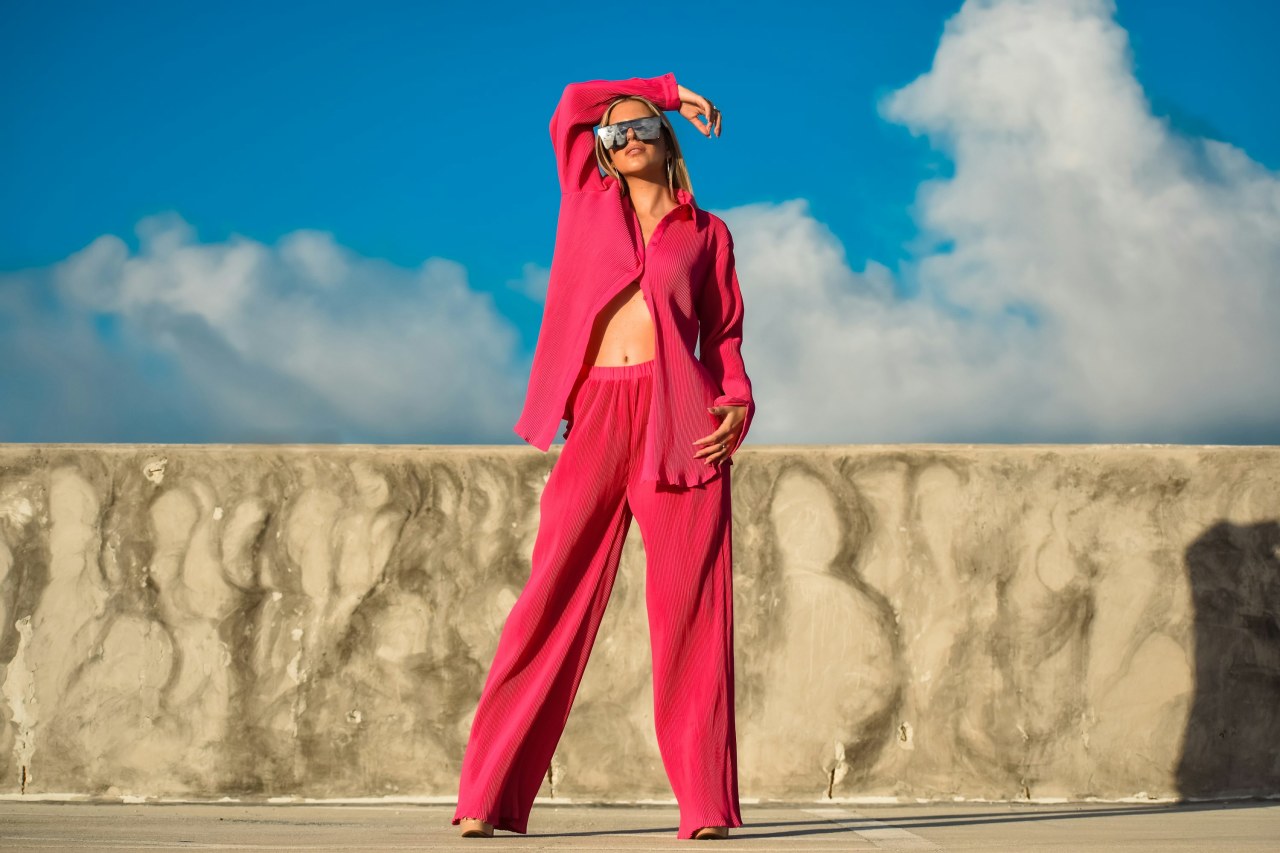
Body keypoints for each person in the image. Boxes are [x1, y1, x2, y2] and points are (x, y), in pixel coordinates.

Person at [452, 71, 755, 842]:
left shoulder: (706, 233)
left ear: (664, 142)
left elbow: (722, 334)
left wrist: (737, 399)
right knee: (549, 597)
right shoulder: (588, 201)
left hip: (681, 417)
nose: (624, 137)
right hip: (597, 413)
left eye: (640, 126)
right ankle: (486, 795)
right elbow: (571, 104)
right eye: (614, 133)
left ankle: (705, 807)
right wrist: (667, 90)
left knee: (692, 612)